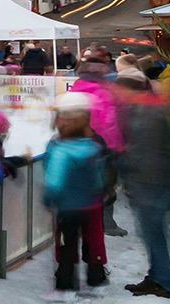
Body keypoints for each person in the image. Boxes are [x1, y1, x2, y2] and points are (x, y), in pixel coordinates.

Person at [115, 66, 170, 298]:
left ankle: (164, 282)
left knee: (154, 233)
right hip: (152, 181)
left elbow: (144, 152)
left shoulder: (147, 113)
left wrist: (122, 163)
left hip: (151, 183)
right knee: (152, 233)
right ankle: (157, 276)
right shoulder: (145, 108)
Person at [43, 92, 110, 294]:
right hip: (91, 203)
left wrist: (49, 198)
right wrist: (100, 192)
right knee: (93, 238)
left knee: (67, 244)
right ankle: (95, 275)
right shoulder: (93, 144)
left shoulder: (59, 148)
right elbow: (100, 176)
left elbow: (55, 180)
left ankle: (65, 282)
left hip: (68, 206)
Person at [71, 49, 128, 236]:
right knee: (106, 186)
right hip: (103, 147)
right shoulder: (104, 93)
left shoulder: (76, 89)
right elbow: (109, 123)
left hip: (78, 144)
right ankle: (106, 223)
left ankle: (81, 224)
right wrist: (117, 146)